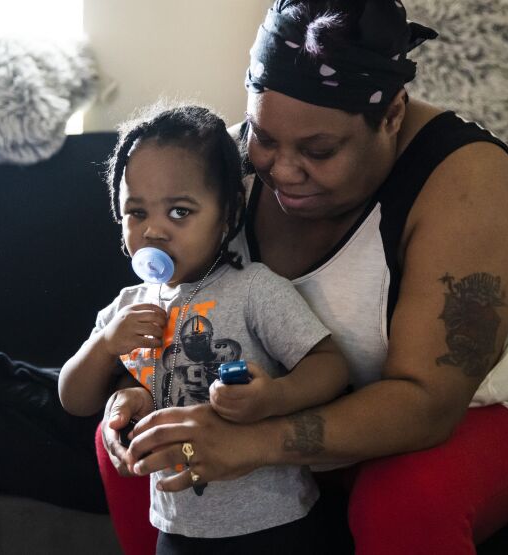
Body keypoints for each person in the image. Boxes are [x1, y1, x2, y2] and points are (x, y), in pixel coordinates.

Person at [96, 1, 508, 554]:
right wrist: (133, 395)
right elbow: (168, 316)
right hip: (278, 410)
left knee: (403, 500)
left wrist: (253, 443)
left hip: (479, 411)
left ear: (393, 114)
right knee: (144, 449)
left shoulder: (467, 184)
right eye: (264, 136)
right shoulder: (223, 170)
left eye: (319, 150)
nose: (281, 169)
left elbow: (428, 405)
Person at [58, 103, 349, 553]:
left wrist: (274, 396)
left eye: (179, 212)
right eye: (136, 213)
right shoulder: (124, 309)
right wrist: (105, 347)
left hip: (274, 522)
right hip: (178, 528)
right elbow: (73, 398)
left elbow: (330, 366)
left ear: (228, 214)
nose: (153, 230)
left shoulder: (254, 289)